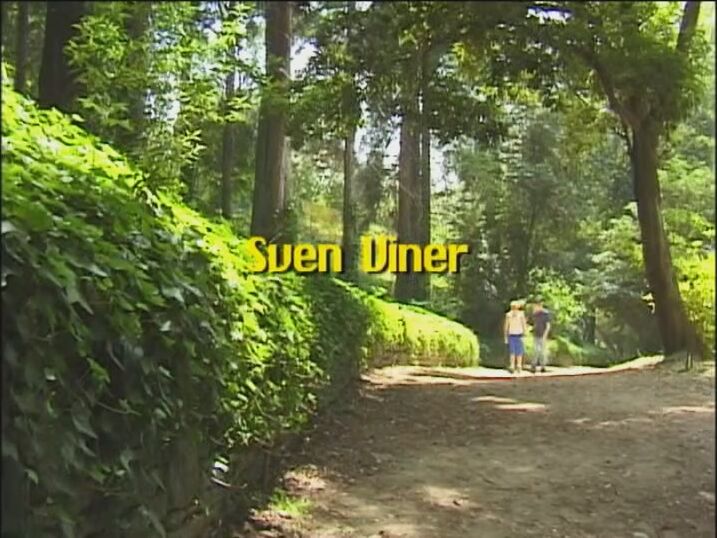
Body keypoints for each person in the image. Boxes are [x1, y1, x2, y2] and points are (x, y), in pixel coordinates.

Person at [504, 300, 527, 374]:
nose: (514, 309)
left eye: (515, 307)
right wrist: (506, 337)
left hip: (519, 335)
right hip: (512, 335)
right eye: (513, 307)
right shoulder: (508, 315)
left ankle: (519, 365)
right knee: (512, 351)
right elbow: (506, 326)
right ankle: (512, 365)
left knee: (519, 351)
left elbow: (524, 324)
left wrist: (525, 334)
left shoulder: (521, 315)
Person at [530, 298, 551, 373]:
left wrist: (545, 334)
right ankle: (534, 365)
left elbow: (548, 325)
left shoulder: (545, 314)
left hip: (543, 334)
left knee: (542, 351)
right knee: (536, 350)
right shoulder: (535, 314)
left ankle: (543, 366)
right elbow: (533, 323)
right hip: (536, 334)